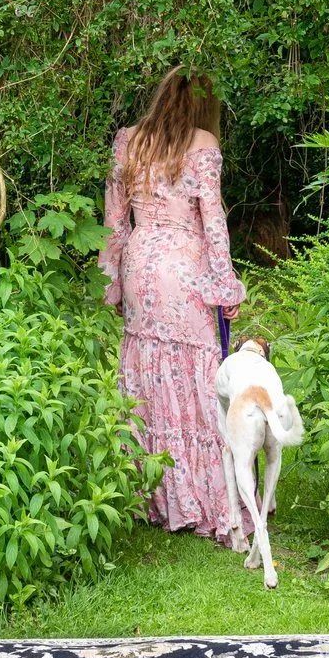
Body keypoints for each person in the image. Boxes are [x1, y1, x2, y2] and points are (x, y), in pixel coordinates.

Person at [101, 67, 246, 542]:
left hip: (141, 265)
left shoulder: (129, 141)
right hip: (185, 266)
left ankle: (150, 495)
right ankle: (207, 498)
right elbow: (214, 220)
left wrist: (112, 286)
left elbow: (115, 223)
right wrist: (226, 285)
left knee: (147, 371)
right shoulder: (204, 144)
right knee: (196, 377)